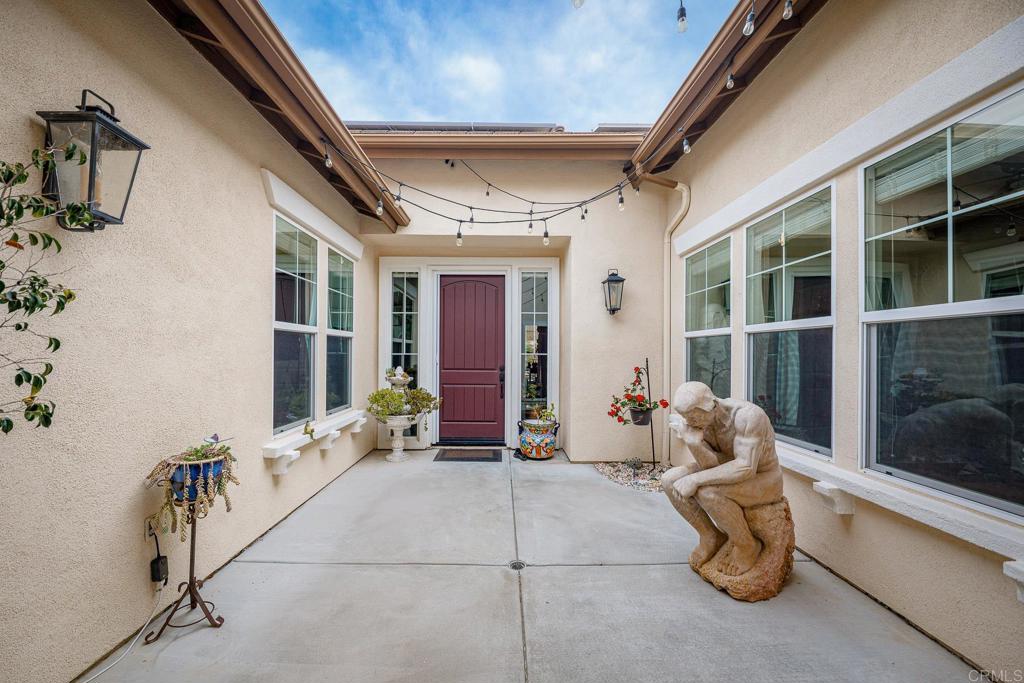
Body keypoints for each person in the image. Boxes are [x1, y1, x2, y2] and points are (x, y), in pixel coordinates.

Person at [661, 381, 784, 576]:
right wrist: (694, 444)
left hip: (763, 478)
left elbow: (745, 467)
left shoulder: (748, 417)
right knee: (669, 480)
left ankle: (747, 546)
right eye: (685, 416)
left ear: (711, 405)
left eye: (692, 415)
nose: (688, 422)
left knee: (708, 492)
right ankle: (710, 536)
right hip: (725, 468)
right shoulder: (702, 423)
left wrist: (696, 479)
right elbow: (711, 466)